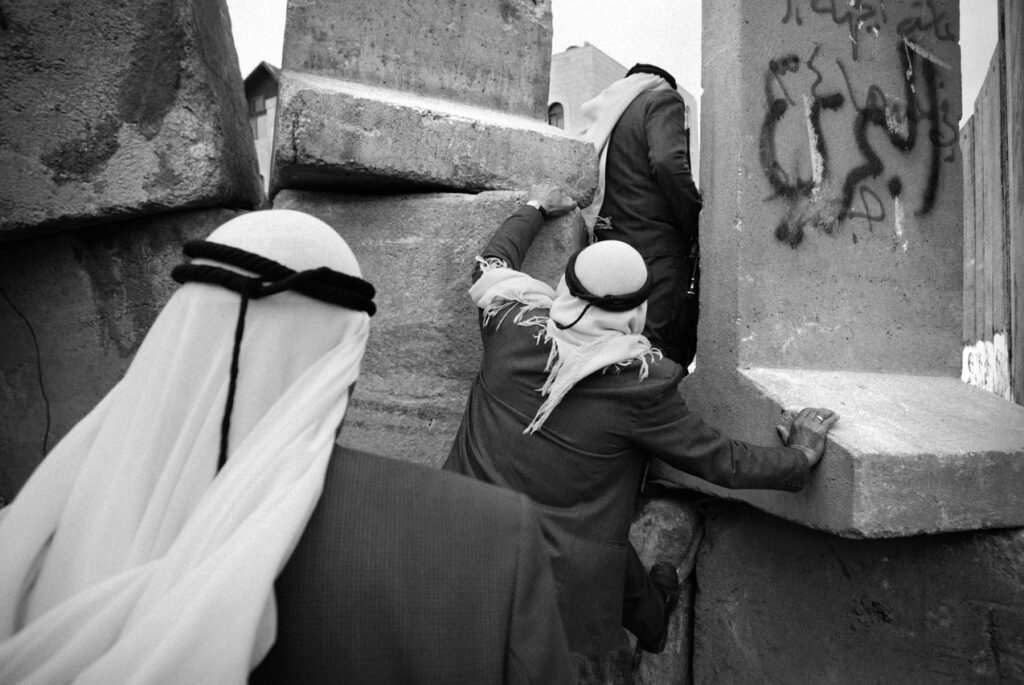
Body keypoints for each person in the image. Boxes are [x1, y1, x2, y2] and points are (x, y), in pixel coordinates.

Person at [0, 210, 571, 684]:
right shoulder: (488, 539)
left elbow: (492, 269)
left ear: (177, 329)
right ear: (346, 359)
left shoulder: (29, 534)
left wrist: (531, 211)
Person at [444, 184, 839, 656]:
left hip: (457, 533)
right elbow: (720, 460)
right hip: (555, 570)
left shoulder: (510, 322)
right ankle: (651, 618)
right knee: (588, 525)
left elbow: (492, 266)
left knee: (582, 516)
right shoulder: (641, 384)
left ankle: (651, 615)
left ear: (566, 289)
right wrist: (799, 456)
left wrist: (534, 208)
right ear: (637, 311)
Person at [578, 63, 702, 369]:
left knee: (615, 350)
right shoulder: (663, 99)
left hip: (610, 253)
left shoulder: (614, 116)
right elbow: (667, 162)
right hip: (656, 253)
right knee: (655, 352)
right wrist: (695, 223)